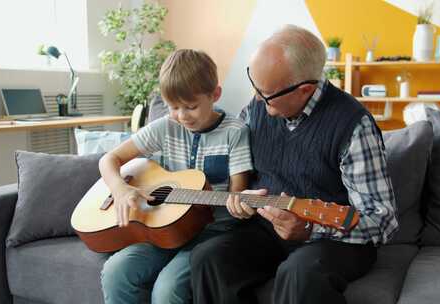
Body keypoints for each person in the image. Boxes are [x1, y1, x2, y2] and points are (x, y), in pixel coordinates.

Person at [190, 25, 399, 304]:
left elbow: (382, 219)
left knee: (299, 274)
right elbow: (234, 166)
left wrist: (311, 230)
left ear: (305, 90)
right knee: (208, 258)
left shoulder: (353, 125)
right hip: (267, 229)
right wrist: (239, 196)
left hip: (335, 240)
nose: (255, 99)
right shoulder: (256, 108)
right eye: (254, 86)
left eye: (265, 94)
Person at [99, 49, 253, 304]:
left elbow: (237, 195)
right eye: (173, 107)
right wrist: (120, 188)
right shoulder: (166, 127)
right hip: (163, 228)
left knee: (167, 290)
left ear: (215, 94)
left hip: (210, 233)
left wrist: (240, 206)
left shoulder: (235, 132)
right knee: (116, 272)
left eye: (191, 107)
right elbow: (109, 160)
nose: (182, 116)